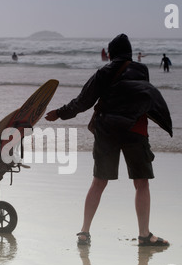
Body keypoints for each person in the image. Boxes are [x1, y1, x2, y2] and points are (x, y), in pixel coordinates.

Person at [45, 34, 172, 247]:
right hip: (135, 129)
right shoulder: (143, 70)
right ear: (130, 53)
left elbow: (83, 101)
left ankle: (84, 232)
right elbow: (142, 98)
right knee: (141, 183)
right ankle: (144, 235)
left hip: (108, 131)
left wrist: (60, 113)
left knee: (99, 181)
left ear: (110, 54)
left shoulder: (104, 72)